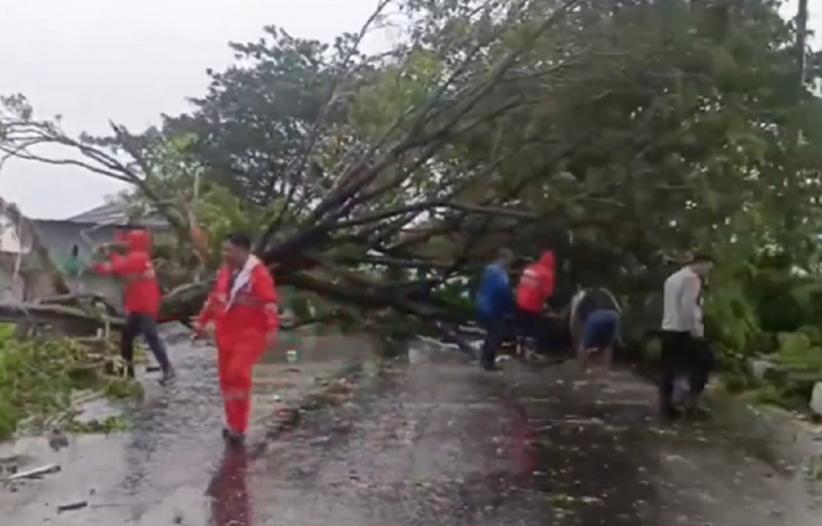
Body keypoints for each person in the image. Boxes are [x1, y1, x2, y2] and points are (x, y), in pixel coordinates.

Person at [194, 232, 279, 445]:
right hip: (226, 335)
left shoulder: (258, 274)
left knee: (238, 376)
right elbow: (215, 299)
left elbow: (269, 303)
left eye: (228, 250)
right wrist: (201, 322)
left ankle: (239, 428)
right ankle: (233, 424)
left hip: (249, 336)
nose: (224, 254)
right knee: (227, 382)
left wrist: (271, 329)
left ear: (242, 250)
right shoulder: (226, 272)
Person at [93, 228, 174, 383]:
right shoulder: (141, 257)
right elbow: (121, 267)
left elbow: (116, 268)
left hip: (144, 306)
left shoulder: (138, 257)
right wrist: (110, 256)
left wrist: (106, 258)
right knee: (127, 337)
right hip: (140, 305)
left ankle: (167, 369)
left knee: (151, 338)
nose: (124, 244)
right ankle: (128, 370)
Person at [660, 253, 714, 419]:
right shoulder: (692, 279)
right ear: (701, 264)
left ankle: (667, 405)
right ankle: (691, 402)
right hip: (685, 330)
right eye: (708, 267)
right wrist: (695, 331)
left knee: (670, 368)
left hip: (669, 327)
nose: (708, 271)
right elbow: (688, 307)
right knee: (704, 362)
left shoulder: (672, 278)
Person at [475, 248, 515, 371]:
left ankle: (484, 359)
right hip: (493, 308)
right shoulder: (499, 273)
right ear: (502, 258)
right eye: (508, 259)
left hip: (483, 305)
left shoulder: (489, 270)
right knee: (497, 334)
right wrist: (509, 309)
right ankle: (489, 362)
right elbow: (502, 292)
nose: (510, 262)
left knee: (491, 333)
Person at [515, 251, 557, 355]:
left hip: (520, 301)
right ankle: (529, 352)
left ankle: (518, 348)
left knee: (521, 327)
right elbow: (547, 293)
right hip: (532, 305)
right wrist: (546, 306)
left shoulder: (529, 268)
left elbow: (521, 284)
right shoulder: (548, 273)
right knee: (532, 330)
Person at [569, 287, 622, 368]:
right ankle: (605, 370)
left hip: (595, 317)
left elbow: (574, 322)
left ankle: (582, 369)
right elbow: (618, 310)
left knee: (583, 344)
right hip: (613, 316)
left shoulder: (579, 296)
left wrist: (576, 343)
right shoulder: (606, 292)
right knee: (607, 346)